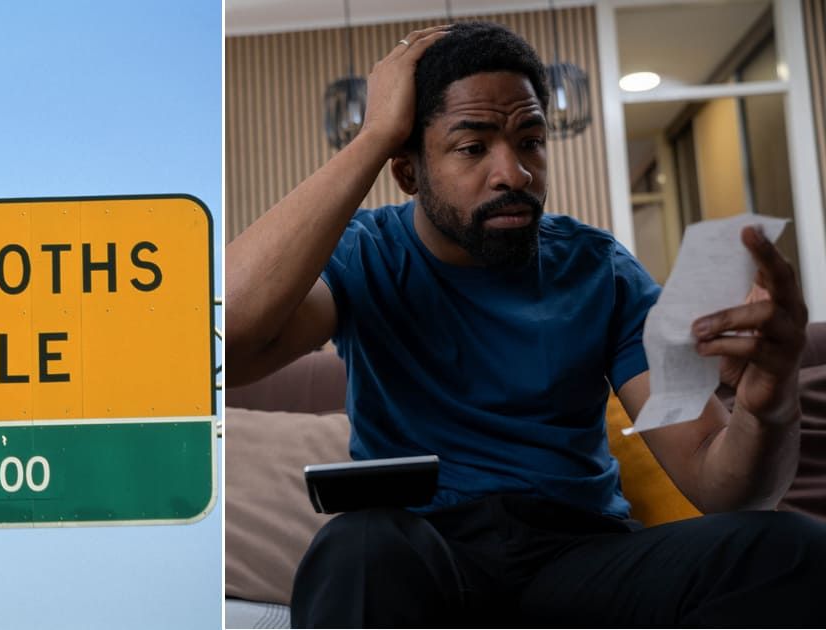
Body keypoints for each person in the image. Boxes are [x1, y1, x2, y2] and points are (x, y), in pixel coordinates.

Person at [224, 21, 826, 627]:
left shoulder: (601, 269)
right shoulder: (366, 255)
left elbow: (720, 485)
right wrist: (375, 135)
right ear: (407, 172)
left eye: (530, 139)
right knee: (355, 544)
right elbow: (231, 334)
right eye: (472, 147)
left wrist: (766, 405)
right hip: (425, 555)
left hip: (578, 555)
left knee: (790, 550)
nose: (514, 174)